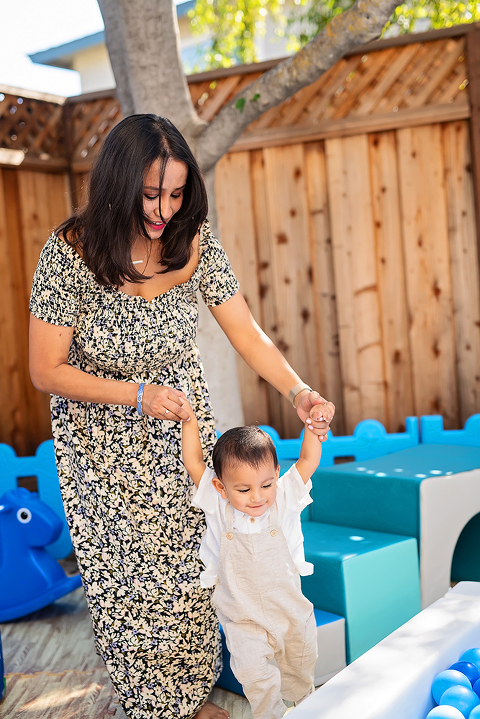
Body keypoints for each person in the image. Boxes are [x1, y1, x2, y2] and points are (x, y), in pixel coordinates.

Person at [28, 113, 335, 719]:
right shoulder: (70, 253)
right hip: (103, 446)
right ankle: (165, 709)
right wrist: (136, 395)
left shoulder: (193, 241)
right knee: (135, 590)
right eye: (150, 194)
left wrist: (298, 391)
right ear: (118, 185)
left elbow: (246, 333)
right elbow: (46, 370)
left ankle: (192, 698)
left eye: (175, 193)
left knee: (198, 566)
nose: (164, 208)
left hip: (184, 435)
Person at [181, 400, 327, 719]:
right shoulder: (218, 504)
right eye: (244, 489)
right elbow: (193, 462)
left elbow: (307, 459)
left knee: (301, 669)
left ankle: (306, 706)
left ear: (276, 474)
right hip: (240, 612)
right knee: (253, 674)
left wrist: (315, 426)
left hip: (289, 608)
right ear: (221, 487)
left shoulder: (285, 496)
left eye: (266, 484)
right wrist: (188, 419)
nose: (258, 497)